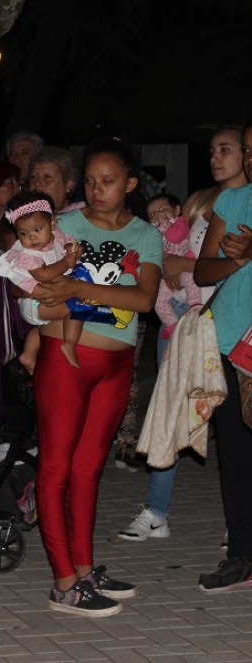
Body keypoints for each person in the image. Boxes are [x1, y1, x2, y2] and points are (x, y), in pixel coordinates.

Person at [30, 137, 162, 616]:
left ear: (129, 183)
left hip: (116, 363)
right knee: (56, 469)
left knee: (88, 469)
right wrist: (72, 295)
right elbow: (35, 293)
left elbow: (144, 301)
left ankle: (83, 570)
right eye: (89, 180)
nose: (97, 189)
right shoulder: (63, 225)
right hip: (65, 360)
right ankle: (64, 583)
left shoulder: (147, 235)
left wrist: (78, 288)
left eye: (108, 182)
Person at [119, 126, 248, 542]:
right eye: (213, 150)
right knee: (171, 413)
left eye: (227, 150)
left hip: (224, 320)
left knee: (233, 426)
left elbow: (189, 263)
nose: (217, 157)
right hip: (185, 322)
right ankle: (158, 511)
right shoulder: (202, 201)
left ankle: (240, 526)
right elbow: (175, 251)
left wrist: (183, 268)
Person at [191, 121, 252, 592]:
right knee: (236, 456)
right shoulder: (231, 202)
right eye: (246, 151)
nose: (249, 159)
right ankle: (241, 557)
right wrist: (237, 260)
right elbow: (203, 270)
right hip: (233, 344)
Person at [0, 191, 84, 372]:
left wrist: (70, 248)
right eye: (23, 233)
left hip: (39, 303)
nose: (32, 237)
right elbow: (43, 275)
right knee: (78, 307)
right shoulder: (27, 254)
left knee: (43, 326)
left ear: (52, 222)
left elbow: (64, 244)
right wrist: (65, 262)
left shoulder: (55, 236)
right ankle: (69, 343)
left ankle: (28, 355)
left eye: (38, 230)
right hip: (34, 303)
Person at [147, 194, 201, 340]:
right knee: (157, 298)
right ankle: (171, 324)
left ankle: (195, 305)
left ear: (177, 210)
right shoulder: (153, 233)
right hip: (167, 275)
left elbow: (175, 236)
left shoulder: (181, 222)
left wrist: (164, 223)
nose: (157, 214)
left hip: (184, 263)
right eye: (152, 213)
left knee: (190, 279)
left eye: (161, 209)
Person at [29, 146, 84, 214]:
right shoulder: (23, 216)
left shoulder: (83, 214)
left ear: (69, 184)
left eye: (47, 177)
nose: (37, 183)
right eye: (33, 177)